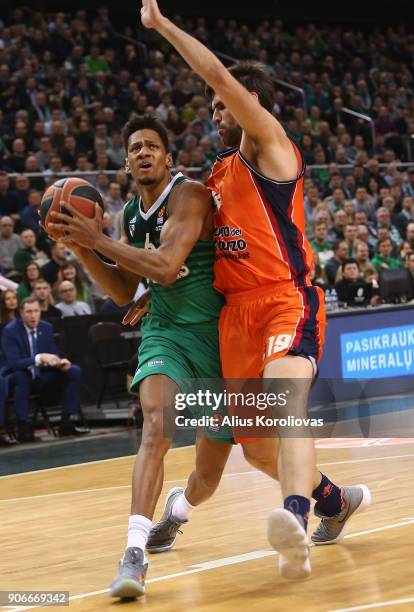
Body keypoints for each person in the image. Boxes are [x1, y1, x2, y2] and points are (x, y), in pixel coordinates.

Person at [105, 0, 370, 595]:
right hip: (233, 319)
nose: (215, 109)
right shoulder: (217, 173)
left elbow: (221, 76)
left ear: (251, 105)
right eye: (214, 106)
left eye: (222, 103)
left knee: (284, 400)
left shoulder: (270, 146)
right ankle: (334, 501)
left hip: (283, 299)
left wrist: (162, 26)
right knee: (255, 451)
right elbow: (195, 249)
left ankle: (295, 521)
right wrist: (150, 284)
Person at [46, 114, 226, 599]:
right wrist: (83, 249)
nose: (142, 152)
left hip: (218, 339)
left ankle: (178, 511)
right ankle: (134, 553)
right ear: (127, 162)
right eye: (134, 148)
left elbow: (166, 267)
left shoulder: (190, 195)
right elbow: (126, 292)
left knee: (209, 476)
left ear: (169, 157)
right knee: (156, 425)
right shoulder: (128, 214)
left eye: (151, 145)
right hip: (165, 333)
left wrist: (95, 239)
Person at [1, 297, 86, 441]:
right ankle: (23, 427)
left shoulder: (46, 327)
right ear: (21, 313)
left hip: (41, 376)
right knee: (22, 375)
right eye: (29, 312)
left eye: (36, 311)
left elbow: (51, 352)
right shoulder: (11, 331)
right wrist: (39, 358)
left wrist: (59, 361)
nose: (33, 315)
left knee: (74, 371)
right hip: (15, 378)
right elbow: (14, 363)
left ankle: (66, 422)